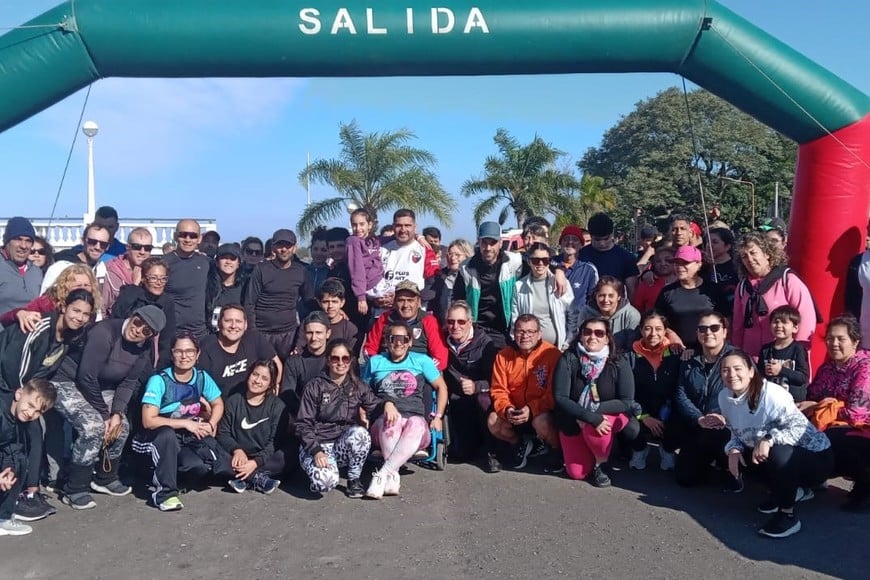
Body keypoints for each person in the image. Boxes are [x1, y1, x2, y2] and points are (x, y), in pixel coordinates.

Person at [0, 289, 94, 521]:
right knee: (23, 434)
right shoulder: (40, 327)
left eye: (85, 314)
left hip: (24, 392)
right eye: (76, 310)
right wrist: (23, 400)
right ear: (64, 307)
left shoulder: (70, 337)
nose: (79, 317)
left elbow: (46, 369)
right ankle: (21, 494)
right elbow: (13, 366)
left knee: (34, 432)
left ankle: (30, 492)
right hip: (9, 388)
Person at [59, 304, 165, 510]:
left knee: (122, 426)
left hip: (101, 387)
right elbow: (86, 376)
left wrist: (116, 413)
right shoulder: (105, 332)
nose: (138, 330)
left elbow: (128, 382)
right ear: (132, 316)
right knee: (93, 426)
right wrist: (104, 414)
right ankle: (74, 488)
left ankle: (104, 477)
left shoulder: (143, 349)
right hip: (67, 381)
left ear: (150, 336)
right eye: (138, 322)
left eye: (146, 331)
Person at [719, 350, 832, 538]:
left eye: (737, 369)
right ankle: (792, 491)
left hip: (816, 457)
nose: (731, 375)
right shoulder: (724, 397)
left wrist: (769, 439)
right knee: (742, 456)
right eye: (725, 370)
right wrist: (732, 449)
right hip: (781, 451)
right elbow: (736, 431)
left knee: (778, 453)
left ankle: (788, 515)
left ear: (751, 371)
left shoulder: (771, 394)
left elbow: (799, 428)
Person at [132, 333, 232, 512]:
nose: (184, 356)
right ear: (172, 354)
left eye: (189, 351)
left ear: (197, 353)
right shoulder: (159, 380)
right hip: (151, 440)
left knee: (198, 467)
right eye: (179, 351)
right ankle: (165, 494)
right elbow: (148, 421)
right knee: (167, 435)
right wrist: (186, 424)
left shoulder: (201, 377)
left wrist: (211, 424)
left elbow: (218, 403)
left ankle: (175, 479)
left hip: (183, 439)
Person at [362, 321, 447, 499]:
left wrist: (438, 416)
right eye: (394, 338)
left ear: (410, 342)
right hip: (384, 420)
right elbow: (362, 392)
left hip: (415, 421)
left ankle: (384, 474)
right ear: (386, 340)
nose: (398, 343)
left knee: (415, 424)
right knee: (390, 422)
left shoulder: (421, 361)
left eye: (403, 339)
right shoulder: (375, 362)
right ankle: (393, 472)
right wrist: (371, 409)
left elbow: (441, 387)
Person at [553, 317, 638, 486]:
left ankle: (601, 463)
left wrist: (593, 413)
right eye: (588, 332)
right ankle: (591, 450)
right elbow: (560, 397)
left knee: (596, 428)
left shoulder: (618, 361)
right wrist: (586, 415)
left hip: (609, 414)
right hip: (573, 417)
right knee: (577, 473)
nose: (593, 337)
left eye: (599, 333)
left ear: (607, 338)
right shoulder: (568, 359)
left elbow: (626, 401)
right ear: (581, 336)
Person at [802, 315, 870, 511]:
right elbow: (812, 394)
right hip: (834, 423)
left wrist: (822, 406)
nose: (834, 343)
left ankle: (865, 486)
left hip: (863, 428)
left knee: (830, 438)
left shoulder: (865, 367)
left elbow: (856, 413)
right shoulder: (829, 367)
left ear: (855, 341)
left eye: (841, 339)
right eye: (830, 338)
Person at [297, 340, 381, 498]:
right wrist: (316, 451)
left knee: (360, 434)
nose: (340, 363)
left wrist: (388, 404)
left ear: (351, 361)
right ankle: (317, 469)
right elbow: (303, 424)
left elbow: (376, 406)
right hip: (317, 444)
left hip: (341, 444)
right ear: (328, 360)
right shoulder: (315, 386)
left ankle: (353, 479)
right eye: (335, 358)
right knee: (325, 483)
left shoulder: (358, 385)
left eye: (345, 358)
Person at [488, 315, 561, 471]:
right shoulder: (503, 356)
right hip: (515, 411)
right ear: (514, 333)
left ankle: (556, 450)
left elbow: (554, 392)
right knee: (493, 421)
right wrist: (506, 409)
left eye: (530, 331)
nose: (525, 336)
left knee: (542, 423)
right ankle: (520, 444)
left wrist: (532, 409)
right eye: (520, 331)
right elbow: (498, 389)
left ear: (539, 333)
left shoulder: (552, 354)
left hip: (541, 411)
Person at [672, 312, 736, 487]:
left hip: (728, 426)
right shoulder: (689, 359)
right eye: (702, 329)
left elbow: (747, 394)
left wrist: (721, 417)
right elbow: (681, 393)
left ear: (724, 331)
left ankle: (730, 468)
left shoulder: (737, 359)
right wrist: (698, 418)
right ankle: (709, 463)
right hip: (699, 422)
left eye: (714, 328)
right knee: (685, 478)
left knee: (715, 439)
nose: (708, 332)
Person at [732, 232, 816, 358]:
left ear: (767, 254)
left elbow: (806, 319)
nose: (749, 259)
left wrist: (797, 352)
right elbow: (738, 326)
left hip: (784, 356)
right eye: (744, 256)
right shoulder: (742, 287)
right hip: (752, 357)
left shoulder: (787, 280)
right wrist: (737, 353)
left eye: (753, 253)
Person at [442, 300, 501, 470]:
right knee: (464, 453)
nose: (455, 326)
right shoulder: (442, 340)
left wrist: (476, 386)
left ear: (470, 322)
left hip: (480, 394)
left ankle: (493, 452)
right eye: (451, 322)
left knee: (484, 399)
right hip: (457, 398)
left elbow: (495, 379)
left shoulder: (485, 344)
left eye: (461, 322)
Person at [453, 221, 524, 350]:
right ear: (478, 242)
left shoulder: (515, 262)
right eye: (484, 242)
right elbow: (458, 299)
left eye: (493, 242)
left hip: (504, 329)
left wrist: (557, 272)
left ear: (501, 243)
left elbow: (540, 264)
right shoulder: (466, 267)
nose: (488, 247)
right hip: (476, 328)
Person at [217, 360, 285, 494]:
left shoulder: (277, 406)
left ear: (270, 384)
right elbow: (222, 433)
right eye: (255, 374)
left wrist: (255, 462)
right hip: (235, 456)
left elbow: (274, 442)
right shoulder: (233, 401)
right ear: (249, 375)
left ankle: (244, 476)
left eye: (264, 378)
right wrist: (237, 450)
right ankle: (256, 478)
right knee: (214, 451)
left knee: (287, 453)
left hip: (263, 457)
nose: (257, 381)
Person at [244, 228, 315, 358]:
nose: (284, 249)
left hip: (289, 334)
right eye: (280, 245)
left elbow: (310, 302)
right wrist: (253, 333)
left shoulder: (301, 271)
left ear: (294, 248)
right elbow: (249, 303)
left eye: (288, 245)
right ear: (273, 248)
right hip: (262, 333)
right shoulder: (261, 269)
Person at [0, 379, 56, 537]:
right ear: (19, 394)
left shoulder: (20, 420)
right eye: (30, 405)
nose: (31, 413)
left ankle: (3, 518)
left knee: (19, 460)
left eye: (38, 412)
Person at [625, 310, 680, 471]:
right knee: (626, 423)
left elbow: (680, 391)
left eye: (658, 329)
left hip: (667, 410)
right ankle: (640, 449)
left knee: (682, 421)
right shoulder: (629, 357)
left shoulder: (677, 355)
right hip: (640, 410)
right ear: (641, 330)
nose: (653, 333)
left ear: (665, 331)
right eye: (648, 328)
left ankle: (668, 449)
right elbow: (625, 394)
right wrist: (643, 415)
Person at [198, 304, 280, 398]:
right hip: (220, 405)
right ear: (219, 324)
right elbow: (200, 387)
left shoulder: (255, 339)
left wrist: (268, 390)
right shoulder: (207, 346)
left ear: (245, 325)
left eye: (238, 321)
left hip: (251, 401)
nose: (233, 326)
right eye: (228, 321)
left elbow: (276, 364)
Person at [364, 280, 448, 370]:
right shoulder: (384, 318)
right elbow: (370, 348)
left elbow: (440, 358)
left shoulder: (429, 321)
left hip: (418, 372)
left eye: (410, 300)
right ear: (395, 302)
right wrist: (378, 367)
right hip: (386, 369)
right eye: (401, 300)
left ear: (418, 302)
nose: (405, 305)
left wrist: (424, 371)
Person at [655, 245, 728, 349]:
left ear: (699, 264)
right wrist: (671, 335)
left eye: (685, 263)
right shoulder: (667, 292)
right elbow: (657, 320)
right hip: (678, 350)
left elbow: (726, 320)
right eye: (676, 263)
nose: (680, 267)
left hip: (709, 349)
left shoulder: (713, 290)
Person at [112, 257, 177, 370]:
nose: (159, 283)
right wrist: (135, 285)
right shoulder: (131, 293)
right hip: (121, 353)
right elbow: (117, 314)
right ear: (143, 278)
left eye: (163, 279)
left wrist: (161, 368)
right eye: (153, 278)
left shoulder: (167, 302)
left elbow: (167, 338)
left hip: (146, 357)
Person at [511, 242, 576, 351]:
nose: (540, 263)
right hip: (529, 349)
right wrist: (518, 344)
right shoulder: (519, 287)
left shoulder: (560, 283)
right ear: (529, 261)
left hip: (557, 348)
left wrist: (567, 343)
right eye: (536, 260)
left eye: (545, 260)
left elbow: (572, 315)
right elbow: (515, 319)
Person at [1, 263, 101, 331]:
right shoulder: (47, 302)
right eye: (78, 286)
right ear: (66, 286)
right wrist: (19, 313)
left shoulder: (91, 308)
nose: (83, 289)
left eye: (86, 285)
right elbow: (5, 319)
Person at [163, 219, 212, 338]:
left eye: (193, 236)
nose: (188, 239)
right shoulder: (164, 264)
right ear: (175, 236)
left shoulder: (207, 263)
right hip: (172, 333)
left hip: (201, 333)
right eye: (183, 235)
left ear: (199, 239)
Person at [380, 209, 440, 297]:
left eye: (407, 225)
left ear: (414, 227)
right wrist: (376, 299)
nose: (403, 229)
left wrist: (413, 299)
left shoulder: (425, 249)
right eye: (399, 225)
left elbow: (433, 283)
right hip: (383, 307)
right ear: (393, 226)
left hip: (413, 307)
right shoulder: (381, 249)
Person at [579, 212, 640, 298]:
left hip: (615, 308)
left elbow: (632, 291)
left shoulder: (626, 258)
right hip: (585, 308)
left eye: (606, 239)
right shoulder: (580, 256)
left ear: (612, 234)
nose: (602, 243)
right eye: (597, 239)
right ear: (591, 236)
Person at [758, 305, 810, 402]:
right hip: (771, 401)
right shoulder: (766, 350)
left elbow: (803, 378)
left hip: (793, 403)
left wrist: (781, 370)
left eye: (784, 322)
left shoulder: (798, 349)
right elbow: (759, 375)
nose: (779, 326)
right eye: (775, 322)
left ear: (795, 328)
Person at [41, 222, 110, 294]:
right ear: (82, 241)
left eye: (103, 244)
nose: (97, 247)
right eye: (92, 242)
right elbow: (43, 301)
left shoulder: (103, 270)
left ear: (108, 247)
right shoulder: (60, 267)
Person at [346, 208, 391, 317]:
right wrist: (361, 297)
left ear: (369, 225)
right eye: (354, 225)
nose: (358, 228)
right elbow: (357, 269)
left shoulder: (373, 240)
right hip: (371, 286)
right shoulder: (353, 241)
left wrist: (418, 237)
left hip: (381, 281)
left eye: (362, 224)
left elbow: (387, 239)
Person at [293, 278, 359, 353]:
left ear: (342, 302)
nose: (330, 306)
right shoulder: (308, 324)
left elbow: (350, 358)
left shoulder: (350, 329)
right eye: (326, 302)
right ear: (319, 302)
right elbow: (299, 349)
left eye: (334, 302)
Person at [576, 276, 640, 352]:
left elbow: (631, 348)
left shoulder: (631, 315)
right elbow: (580, 341)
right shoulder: (585, 313)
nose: (606, 300)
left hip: (620, 358)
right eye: (602, 295)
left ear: (619, 297)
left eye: (611, 296)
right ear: (596, 296)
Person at [102, 227, 154, 316]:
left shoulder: (154, 271)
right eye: (137, 247)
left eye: (147, 248)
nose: (142, 252)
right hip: (117, 325)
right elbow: (102, 308)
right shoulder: (111, 272)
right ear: (128, 247)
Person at [553, 225, 598, 310]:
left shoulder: (589, 269)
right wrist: (557, 270)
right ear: (560, 243)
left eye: (575, 239)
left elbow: (593, 300)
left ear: (581, 244)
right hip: (554, 319)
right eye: (566, 239)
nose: (570, 242)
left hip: (578, 320)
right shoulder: (549, 263)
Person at [430, 239, 474, 324]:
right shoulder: (440, 277)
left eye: (457, 255)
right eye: (450, 254)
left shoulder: (472, 279)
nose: (453, 258)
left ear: (467, 256)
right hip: (442, 326)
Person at [205, 243, 244, 332]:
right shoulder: (208, 287)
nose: (228, 262)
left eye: (232, 258)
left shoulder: (245, 289)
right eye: (224, 258)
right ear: (217, 262)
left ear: (238, 263)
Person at [631, 246, 675, 313]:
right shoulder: (646, 285)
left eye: (668, 260)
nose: (663, 264)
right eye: (658, 261)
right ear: (654, 264)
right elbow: (637, 311)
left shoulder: (683, 283)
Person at [705, 227, 739, 310]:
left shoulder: (736, 267)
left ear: (727, 246)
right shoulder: (703, 267)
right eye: (708, 242)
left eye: (715, 242)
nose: (709, 245)